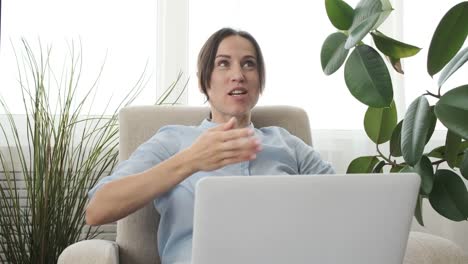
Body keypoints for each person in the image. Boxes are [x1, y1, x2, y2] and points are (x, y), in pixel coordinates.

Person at [85, 27, 335, 264]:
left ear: (260, 82)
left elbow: (343, 203)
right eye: (223, 63)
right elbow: (97, 209)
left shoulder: (288, 144)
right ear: (204, 81)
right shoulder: (173, 141)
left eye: (249, 64)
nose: (238, 75)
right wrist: (190, 160)